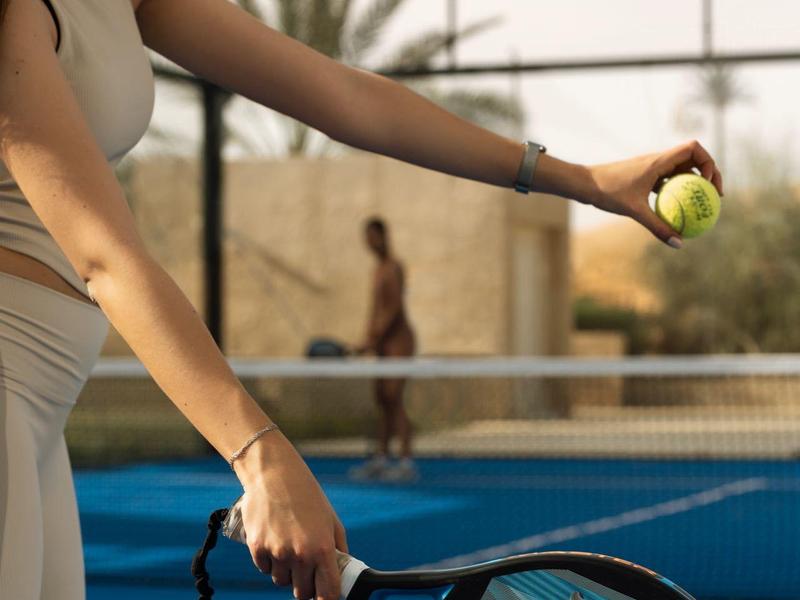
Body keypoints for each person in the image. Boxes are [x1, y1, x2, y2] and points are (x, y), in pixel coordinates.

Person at [0, 1, 723, 599]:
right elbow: (106, 257)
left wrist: (588, 179)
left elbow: (347, 98)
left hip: (44, 408)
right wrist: (259, 455)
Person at [351, 218, 417, 482]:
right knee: (382, 400)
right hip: (381, 345)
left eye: (372, 236)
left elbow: (393, 309)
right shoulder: (377, 269)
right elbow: (376, 311)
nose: (369, 242)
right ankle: (381, 458)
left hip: (398, 344)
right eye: (365, 237)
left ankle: (405, 461)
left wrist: (374, 338)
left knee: (394, 398)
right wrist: (368, 338)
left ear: (383, 236)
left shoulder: (393, 268)